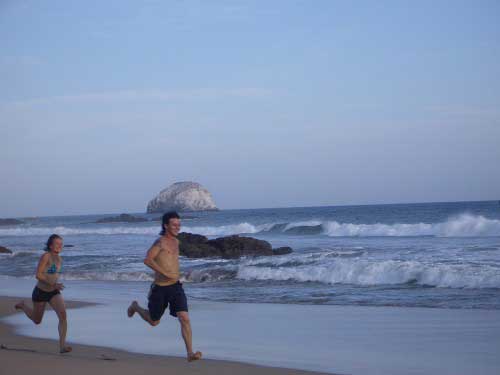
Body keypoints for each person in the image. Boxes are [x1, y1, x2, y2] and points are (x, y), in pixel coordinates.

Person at [127, 211, 202, 362]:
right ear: (166, 225)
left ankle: (189, 353)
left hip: (176, 287)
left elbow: (172, 261)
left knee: (184, 317)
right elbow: (148, 260)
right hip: (160, 288)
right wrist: (164, 273)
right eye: (174, 224)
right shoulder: (159, 242)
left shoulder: (177, 242)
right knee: (154, 321)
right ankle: (135, 306)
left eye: (179, 224)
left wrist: (177, 274)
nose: (177, 227)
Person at [15, 234, 72, 353]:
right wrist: (52, 284)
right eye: (57, 244)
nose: (59, 246)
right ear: (51, 246)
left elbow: (52, 275)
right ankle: (23, 306)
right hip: (40, 292)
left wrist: (54, 285)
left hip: (53, 292)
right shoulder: (46, 256)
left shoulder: (60, 259)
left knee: (63, 316)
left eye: (61, 244)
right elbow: (38, 274)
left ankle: (62, 346)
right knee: (37, 320)